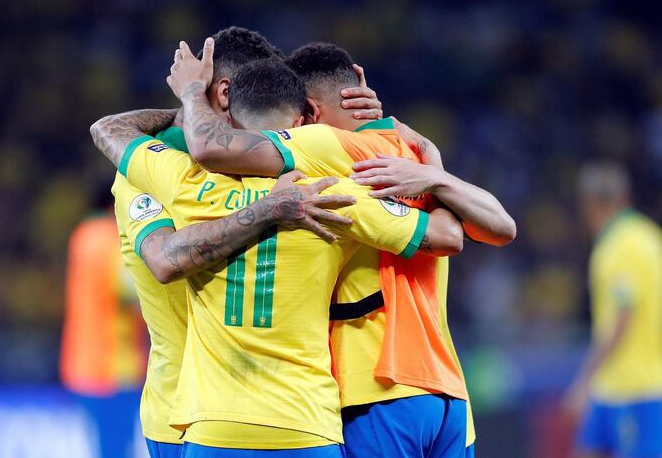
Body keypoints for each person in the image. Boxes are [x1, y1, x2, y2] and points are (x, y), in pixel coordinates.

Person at [92, 44, 466, 457]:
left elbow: (107, 128)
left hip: (207, 421)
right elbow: (163, 261)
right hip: (241, 418)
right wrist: (407, 146)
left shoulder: (170, 177)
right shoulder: (327, 188)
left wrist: (186, 98)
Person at [170, 39, 515, 457]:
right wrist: (438, 174)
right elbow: (497, 229)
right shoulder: (411, 149)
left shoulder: (322, 147)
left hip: (375, 387)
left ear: (310, 114)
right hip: (449, 395)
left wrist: (192, 93)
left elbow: (210, 148)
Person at [564, 161, 662, 458]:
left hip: (631, 387)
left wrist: (584, 379)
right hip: (634, 379)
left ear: (589, 203)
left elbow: (623, 318)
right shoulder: (652, 237)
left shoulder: (618, 246)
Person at [59, 188, 148, 458]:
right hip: (115, 367)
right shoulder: (112, 239)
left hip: (80, 363)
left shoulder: (81, 235)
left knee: (103, 447)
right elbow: (130, 290)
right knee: (117, 448)